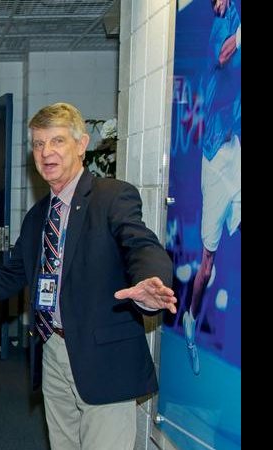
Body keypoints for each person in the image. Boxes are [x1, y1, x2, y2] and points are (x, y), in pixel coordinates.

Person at [0, 102, 177, 449]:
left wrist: (150, 279)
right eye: (38, 144)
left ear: (81, 146)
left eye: (57, 141)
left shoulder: (111, 197)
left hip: (102, 358)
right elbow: (7, 277)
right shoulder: (37, 218)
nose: (46, 152)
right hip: (53, 351)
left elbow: (140, 244)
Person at [182, 0, 241, 376]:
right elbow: (223, 55)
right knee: (207, 264)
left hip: (235, 156)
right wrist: (233, 39)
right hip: (216, 168)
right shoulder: (213, 73)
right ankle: (190, 317)